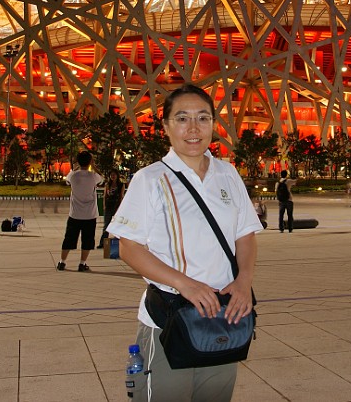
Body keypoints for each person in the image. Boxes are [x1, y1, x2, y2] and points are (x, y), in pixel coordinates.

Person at [106, 84, 262, 402]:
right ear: (166, 126)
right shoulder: (149, 179)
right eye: (182, 118)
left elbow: (245, 234)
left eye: (202, 118)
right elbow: (129, 247)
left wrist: (244, 281)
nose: (193, 128)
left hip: (222, 318)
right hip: (170, 319)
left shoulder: (228, 174)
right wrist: (186, 285)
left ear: (214, 125)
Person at [57, 150, 103, 271]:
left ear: (78, 161)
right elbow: (101, 178)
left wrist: (78, 166)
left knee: (69, 239)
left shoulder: (73, 175)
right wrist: (92, 166)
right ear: (90, 162)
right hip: (90, 215)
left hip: (75, 214)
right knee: (87, 240)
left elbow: (67, 180)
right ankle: (82, 263)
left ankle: (62, 262)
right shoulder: (94, 176)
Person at [98, 168, 124, 248]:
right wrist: (104, 206)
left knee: (118, 225)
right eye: (111, 175)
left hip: (117, 206)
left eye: (114, 175)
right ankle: (103, 243)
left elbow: (121, 197)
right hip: (109, 205)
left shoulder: (121, 185)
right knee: (106, 225)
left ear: (117, 176)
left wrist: (119, 207)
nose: (112, 176)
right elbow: (105, 196)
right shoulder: (107, 185)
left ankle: (119, 244)